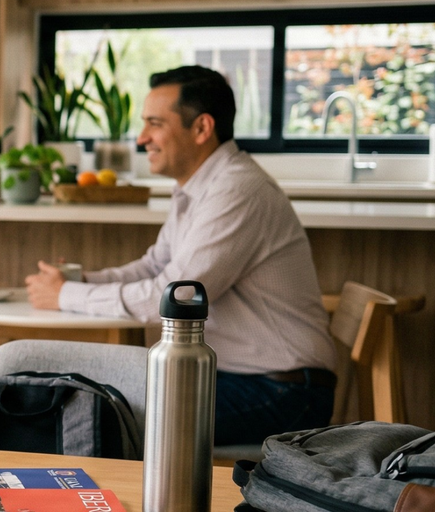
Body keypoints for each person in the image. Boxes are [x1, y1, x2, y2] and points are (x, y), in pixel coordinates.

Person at [24, 65, 335, 445]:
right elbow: (155, 266)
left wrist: (65, 296)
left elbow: (177, 299)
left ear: (202, 128)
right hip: (235, 377)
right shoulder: (197, 187)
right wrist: (81, 281)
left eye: (155, 124)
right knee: (77, 401)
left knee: (93, 415)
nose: (142, 138)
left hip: (280, 391)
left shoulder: (238, 190)